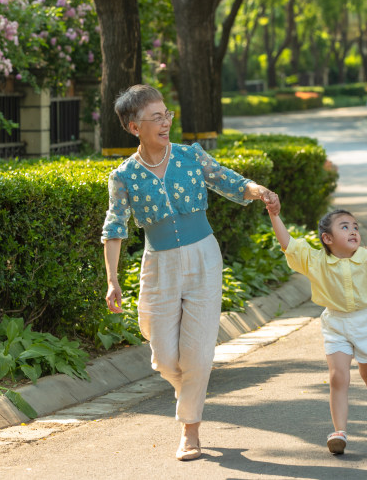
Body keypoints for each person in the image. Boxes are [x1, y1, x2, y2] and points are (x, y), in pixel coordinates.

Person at [101, 85, 275, 461]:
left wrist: (257, 189)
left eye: (167, 114)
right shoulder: (124, 176)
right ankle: (192, 391)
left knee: (196, 355)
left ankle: (190, 430)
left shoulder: (190, 156)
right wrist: (112, 279)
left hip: (204, 259)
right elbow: (114, 226)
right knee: (163, 357)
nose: (166, 122)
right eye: (156, 117)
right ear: (134, 127)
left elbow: (229, 181)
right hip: (158, 265)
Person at [267, 197, 367, 455]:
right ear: (327, 239)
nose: (354, 231)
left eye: (356, 227)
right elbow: (289, 245)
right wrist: (274, 214)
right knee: (338, 376)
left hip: (365, 322)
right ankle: (339, 431)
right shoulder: (315, 261)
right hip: (335, 322)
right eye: (345, 227)